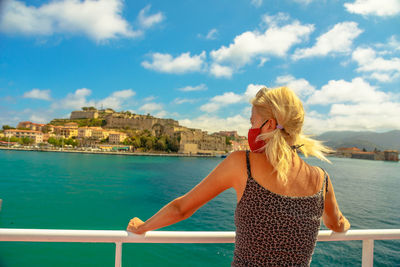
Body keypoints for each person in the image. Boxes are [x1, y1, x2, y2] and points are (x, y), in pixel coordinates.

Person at [127, 86, 350, 266]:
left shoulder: (242, 164)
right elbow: (336, 223)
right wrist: (344, 224)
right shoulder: (321, 179)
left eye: (252, 122)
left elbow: (182, 209)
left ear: (269, 125)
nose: (249, 130)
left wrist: (142, 227)